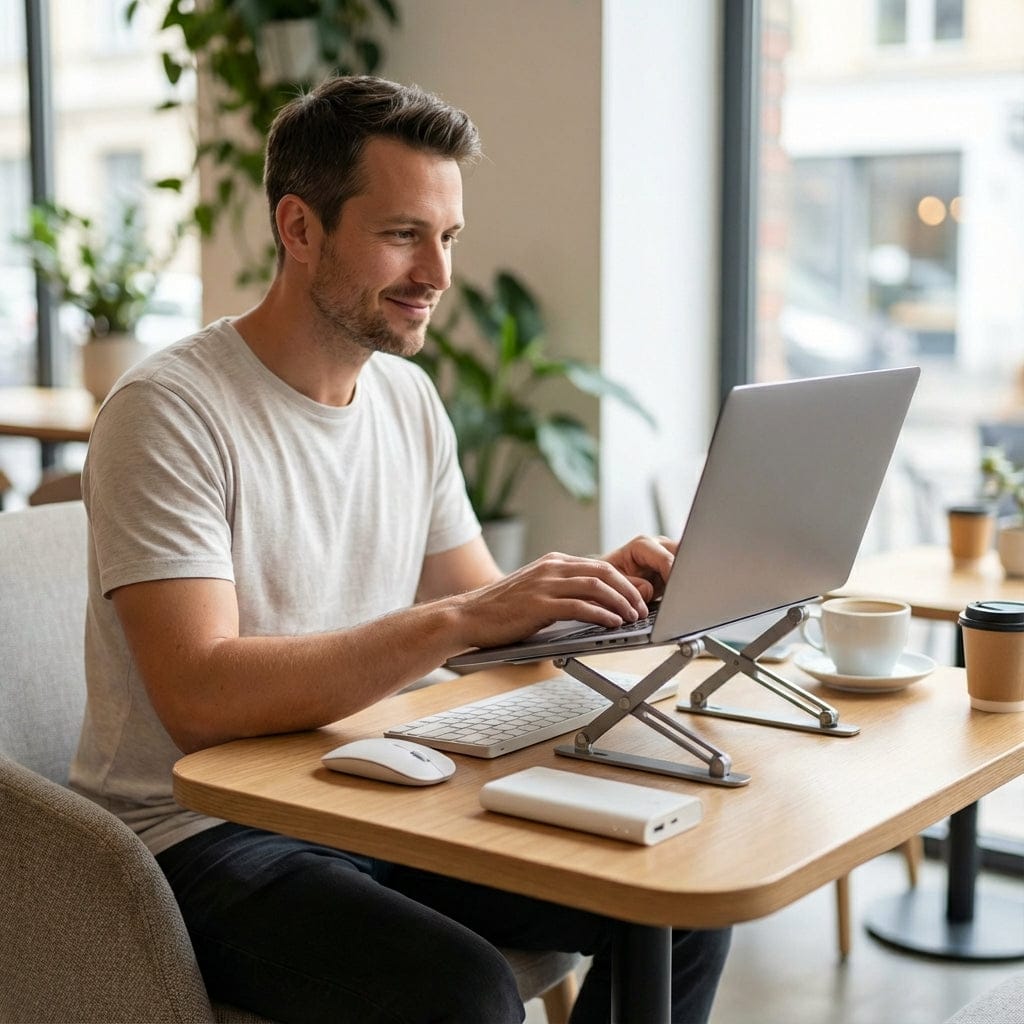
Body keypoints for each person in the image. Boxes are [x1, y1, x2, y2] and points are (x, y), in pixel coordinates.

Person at [71, 74, 730, 1024]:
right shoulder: (169, 413)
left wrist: (586, 593)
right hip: (203, 833)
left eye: (447, 237)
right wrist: (462, 616)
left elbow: (479, 621)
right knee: (461, 992)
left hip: (373, 789)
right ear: (299, 229)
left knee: (676, 894)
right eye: (401, 235)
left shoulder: (404, 399)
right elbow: (200, 698)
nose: (439, 274)